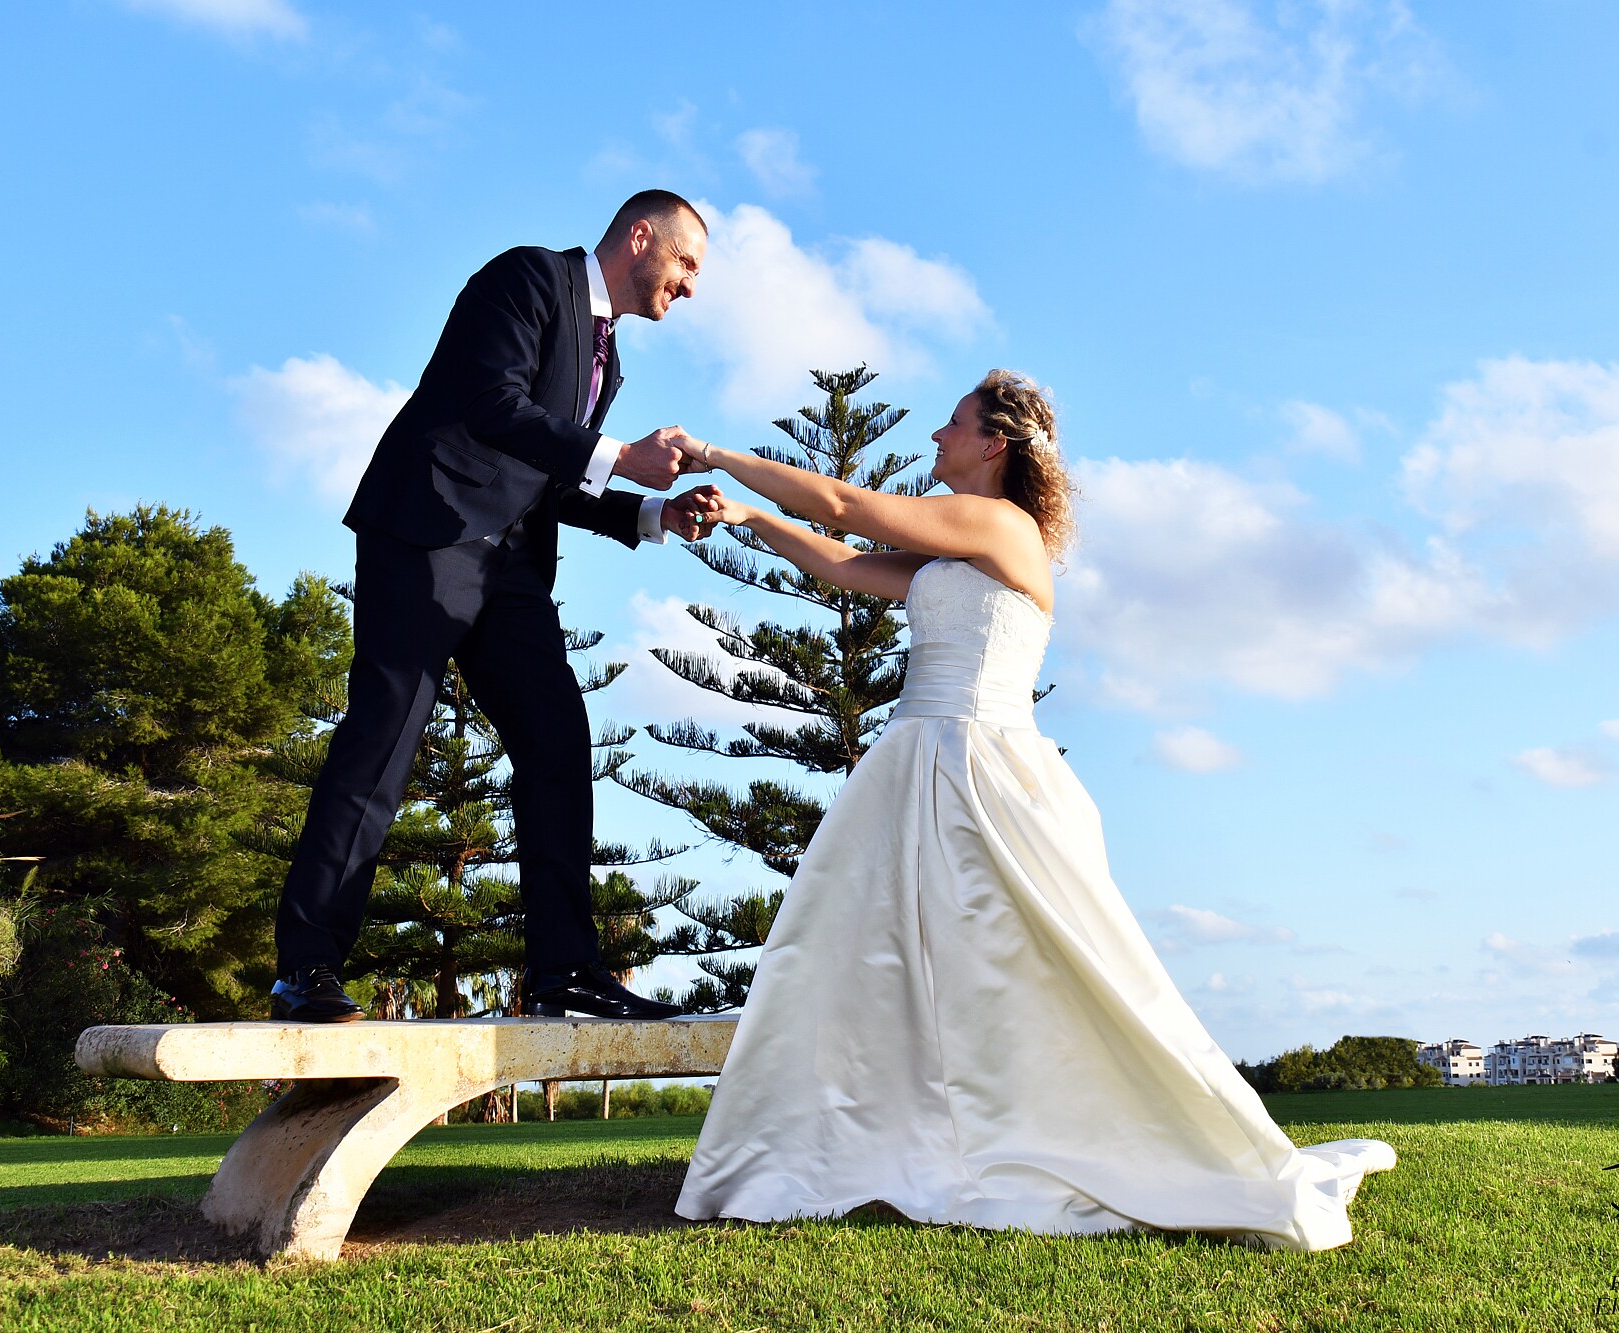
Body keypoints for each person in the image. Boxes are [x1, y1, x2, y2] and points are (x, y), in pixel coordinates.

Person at [670, 370, 1396, 1250]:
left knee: (1024, 968)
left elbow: (841, 504)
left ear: (994, 445)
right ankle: (906, 1139)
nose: (935, 437)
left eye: (952, 425)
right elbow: (846, 564)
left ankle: (1074, 1136)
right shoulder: (958, 545)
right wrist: (750, 522)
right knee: (891, 963)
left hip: (978, 769)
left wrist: (708, 452)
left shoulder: (997, 524)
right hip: (918, 764)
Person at [270, 190, 726, 1023]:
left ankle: (565, 973)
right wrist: (621, 456)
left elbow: (553, 476)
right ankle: (305, 968)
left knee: (557, 742)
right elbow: (493, 404)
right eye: (688, 263)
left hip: (513, 572)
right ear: (639, 237)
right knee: (383, 740)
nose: (691, 286)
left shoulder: (607, 360)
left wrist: (649, 512)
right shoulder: (525, 279)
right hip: (429, 534)